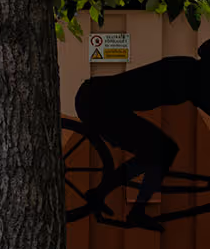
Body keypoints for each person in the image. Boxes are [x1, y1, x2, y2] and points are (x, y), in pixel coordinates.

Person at [73, 46, 210, 229]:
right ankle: (128, 207)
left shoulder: (188, 67)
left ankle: (105, 196)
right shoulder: (192, 76)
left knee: (159, 150)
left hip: (96, 97)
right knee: (162, 150)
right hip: (99, 103)